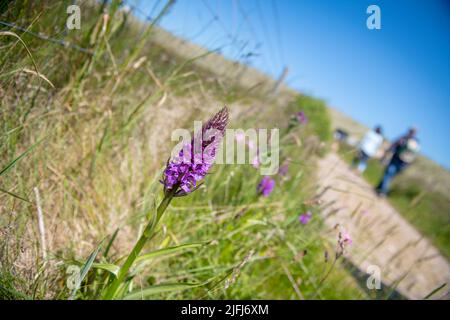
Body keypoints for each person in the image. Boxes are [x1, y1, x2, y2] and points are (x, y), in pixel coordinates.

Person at [376, 127, 420, 196]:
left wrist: (386, 153)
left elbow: (393, 145)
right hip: (404, 163)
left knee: (388, 174)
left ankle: (382, 191)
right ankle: (380, 188)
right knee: (389, 175)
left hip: (397, 160)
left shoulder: (404, 138)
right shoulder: (416, 142)